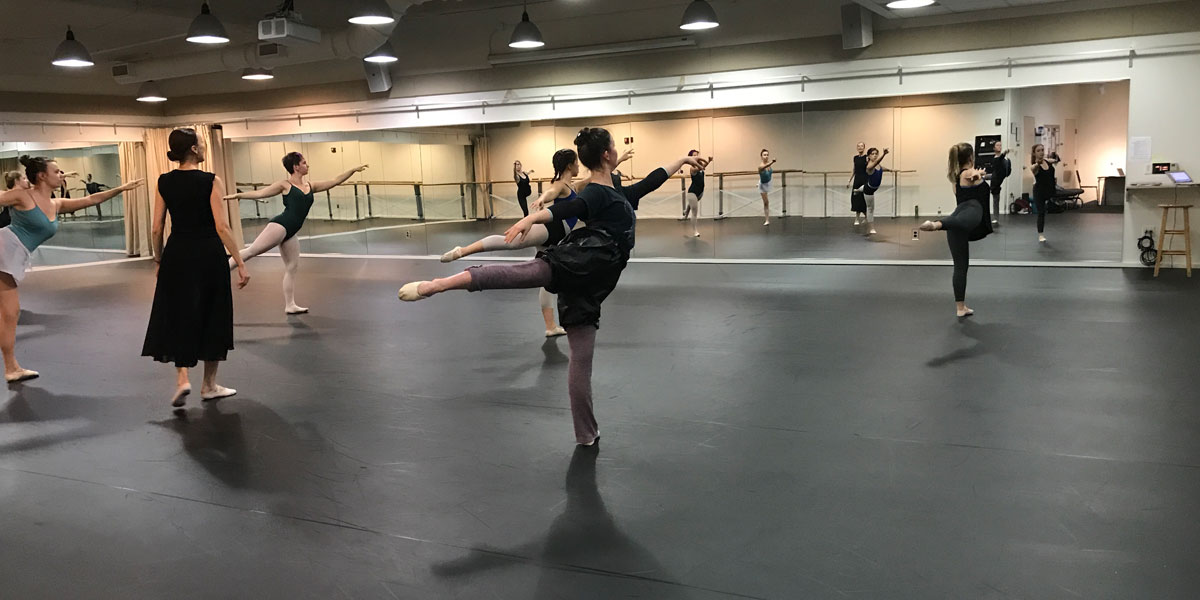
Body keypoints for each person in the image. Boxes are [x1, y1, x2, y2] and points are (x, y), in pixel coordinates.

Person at [398, 127, 707, 446]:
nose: (616, 150)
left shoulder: (616, 191)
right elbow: (570, 208)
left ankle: (586, 434)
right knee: (528, 273)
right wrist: (532, 218)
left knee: (581, 359)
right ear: (606, 154)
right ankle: (437, 284)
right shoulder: (594, 193)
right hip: (587, 260)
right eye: (614, 146)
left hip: (596, 284)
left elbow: (652, 180)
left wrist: (683, 160)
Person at [0, 156, 144, 382]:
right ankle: (11, 368)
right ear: (42, 176)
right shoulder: (23, 196)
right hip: (5, 249)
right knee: (10, 313)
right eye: (57, 171)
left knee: (10, 314)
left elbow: (91, 199)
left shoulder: (56, 204)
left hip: (14, 253)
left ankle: (11, 367)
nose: (61, 175)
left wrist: (121, 188)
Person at [142, 128, 249, 408]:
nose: (203, 148)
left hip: (177, 253)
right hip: (207, 254)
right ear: (192, 149)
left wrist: (158, 260)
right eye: (201, 144)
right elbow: (222, 227)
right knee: (213, 312)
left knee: (179, 312)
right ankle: (209, 385)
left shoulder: (163, 181)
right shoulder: (212, 181)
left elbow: (156, 229)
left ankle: (182, 379)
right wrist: (239, 261)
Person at [440, 149, 584, 337]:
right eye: (577, 162)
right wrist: (542, 198)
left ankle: (550, 327)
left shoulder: (573, 185)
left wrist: (617, 161)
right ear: (569, 165)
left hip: (557, 236)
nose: (579, 165)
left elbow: (594, 179)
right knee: (511, 242)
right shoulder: (560, 184)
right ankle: (462, 251)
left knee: (548, 278)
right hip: (552, 229)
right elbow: (551, 192)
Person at [223, 154, 367, 314]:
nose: (308, 165)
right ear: (296, 167)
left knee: (292, 267)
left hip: (291, 231)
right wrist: (238, 195)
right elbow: (260, 193)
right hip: (281, 225)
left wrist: (352, 171)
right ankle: (219, 271)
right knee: (251, 252)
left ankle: (290, 305)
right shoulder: (285, 185)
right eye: (304, 163)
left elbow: (335, 181)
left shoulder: (311, 185)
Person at [918, 142, 994, 318]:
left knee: (960, 267)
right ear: (971, 157)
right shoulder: (967, 173)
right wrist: (977, 174)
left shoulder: (955, 177)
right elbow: (971, 175)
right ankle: (938, 224)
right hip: (971, 214)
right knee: (961, 264)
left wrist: (979, 174)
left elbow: (968, 180)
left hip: (957, 221)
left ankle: (961, 307)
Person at [1030, 143, 1059, 243]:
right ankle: (1040, 234)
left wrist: (1056, 157)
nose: (1041, 152)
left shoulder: (1047, 161)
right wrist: (1038, 163)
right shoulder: (1034, 166)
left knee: (1053, 207)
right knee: (1041, 213)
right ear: (1034, 153)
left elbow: (1056, 160)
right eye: (1038, 151)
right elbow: (1033, 169)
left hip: (1050, 189)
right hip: (1039, 192)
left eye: (1042, 150)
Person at [682, 150, 713, 238]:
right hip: (692, 193)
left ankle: (685, 213)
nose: (696, 157)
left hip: (700, 193)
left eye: (697, 155)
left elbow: (702, 167)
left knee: (691, 205)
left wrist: (708, 162)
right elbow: (701, 168)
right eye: (694, 156)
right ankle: (695, 231)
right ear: (691, 158)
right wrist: (709, 161)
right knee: (695, 212)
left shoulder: (700, 166)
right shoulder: (692, 168)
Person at [862, 147, 889, 236]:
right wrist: (884, 154)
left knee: (863, 188)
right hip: (869, 190)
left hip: (872, 187)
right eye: (872, 154)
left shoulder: (878, 165)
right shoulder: (869, 166)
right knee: (870, 209)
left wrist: (890, 170)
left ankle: (858, 189)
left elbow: (880, 168)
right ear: (869, 156)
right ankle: (871, 228)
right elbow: (876, 163)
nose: (875, 155)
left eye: (876, 154)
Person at [987, 141, 1011, 225]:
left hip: (997, 178)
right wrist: (1004, 153)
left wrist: (1008, 163)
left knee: (996, 200)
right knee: (995, 200)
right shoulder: (996, 159)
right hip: (995, 181)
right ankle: (995, 218)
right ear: (994, 148)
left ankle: (995, 218)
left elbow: (1007, 172)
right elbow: (999, 160)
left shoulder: (1005, 160)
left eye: (1000, 145)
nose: (999, 146)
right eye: (997, 145)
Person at [848, 142, 868, 226]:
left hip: (864, 180)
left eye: (862, 146)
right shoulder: (855, 158)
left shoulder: (866, 157)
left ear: (864, 148)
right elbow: (854, 169)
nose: (860, 147)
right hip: (857, 181)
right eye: (858, 146)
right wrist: (849, 180)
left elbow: (870, 167)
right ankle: (858, 218)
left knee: (863, 199)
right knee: (856, 199)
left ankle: (866, 217)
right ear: (857, 148)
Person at [758, 149, 776, 226]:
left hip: (768, 182)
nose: (766, 156)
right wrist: (772, 162)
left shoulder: (768, 164)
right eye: (764, 155)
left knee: (767, 202)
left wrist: (770, 163)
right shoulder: (760, 166)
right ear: (761, 157)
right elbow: (765, 167)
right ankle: (767, 220)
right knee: (766, 203)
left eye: (767, 155)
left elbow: (768, 171)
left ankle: (758, 182)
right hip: (763, 185)